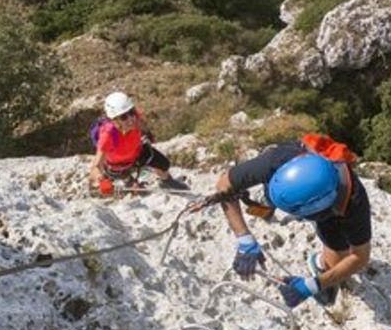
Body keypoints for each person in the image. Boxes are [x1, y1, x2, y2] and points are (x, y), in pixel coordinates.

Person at [214, 135, 371, 307]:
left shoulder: (353, 203)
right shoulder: (277, 160)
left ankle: (320, 265)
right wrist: (244, 239)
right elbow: (224, 184)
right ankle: (266, 201)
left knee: (340, 252)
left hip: (331, 209)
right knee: (266, 199)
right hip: (283, 170)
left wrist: (315, 284)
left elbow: (360, 256)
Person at [88, 91, 189, 195]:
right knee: (128, 180)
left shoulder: (135, 118)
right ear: (114, 120)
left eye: (131, 112)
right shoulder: (108, 134)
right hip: (117, 165)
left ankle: (166, 181)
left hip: (137, 152)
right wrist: (102, 181)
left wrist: (148, 134)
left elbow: (140, 124)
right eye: (123, 117)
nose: (130, 119)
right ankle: (129, 182)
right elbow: (95, 166)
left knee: (163, 163)